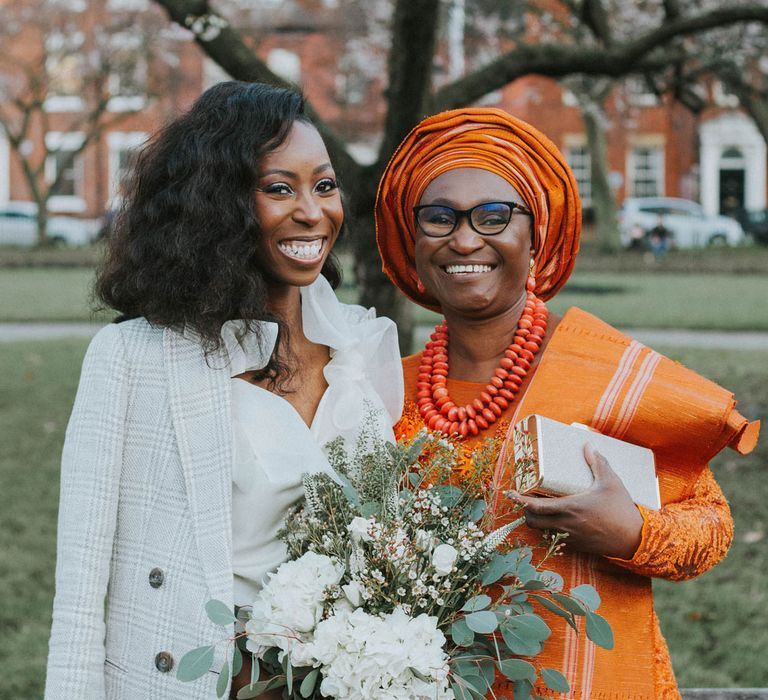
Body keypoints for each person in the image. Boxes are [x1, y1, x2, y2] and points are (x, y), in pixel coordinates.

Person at [375, 107, 759, 699]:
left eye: (494, 215)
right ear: (413, 240)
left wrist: (628, 533)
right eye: (438, 217)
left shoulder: (606, 374)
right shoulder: (379, 388)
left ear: (537, 238)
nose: (465, 238)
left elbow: (710, 527)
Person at [45, 81, 403, 700]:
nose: (313, 212)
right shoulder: (135, 359)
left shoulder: (359, 349)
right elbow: (79, 595)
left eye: (323, 185)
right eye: (278, 188)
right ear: (220, 206)